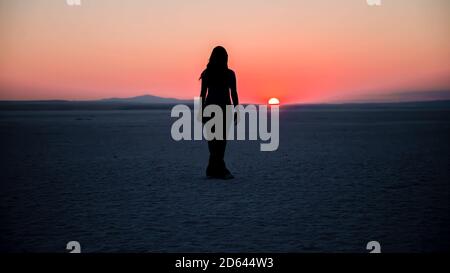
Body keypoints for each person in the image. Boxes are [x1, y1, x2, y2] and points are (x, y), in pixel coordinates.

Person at [200, 46, 239, 179]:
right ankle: (220, 169)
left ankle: (212, 169)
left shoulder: (224, 74)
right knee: (217, 141)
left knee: (217, 141)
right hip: (218, 109)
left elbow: (233, 93)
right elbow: (203, 94)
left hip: (216, 109)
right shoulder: (211, 73)